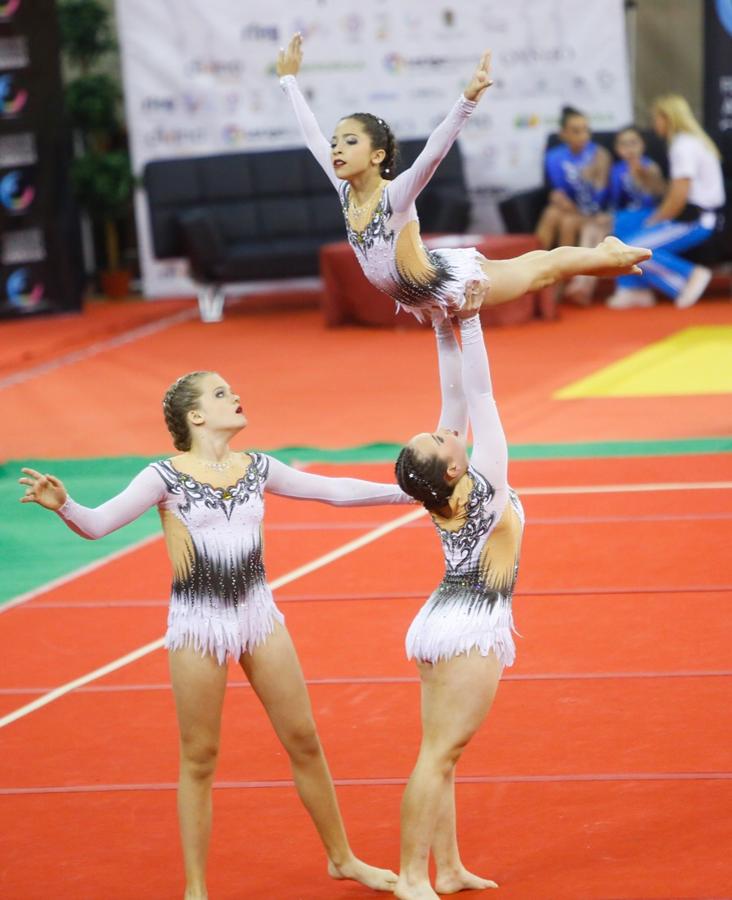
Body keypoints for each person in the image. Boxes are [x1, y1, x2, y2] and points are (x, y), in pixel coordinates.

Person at [18, 371, 414, 900]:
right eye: (222, 393)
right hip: (197, 625)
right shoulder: (163, 476)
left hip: (257, 616)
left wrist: (412, 494)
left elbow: (335, 491)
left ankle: (342, 859)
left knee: (304, 739)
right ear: (196, 416)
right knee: (200, 757)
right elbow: (98, 524)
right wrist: (65, 505)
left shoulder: (259, 467)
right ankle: (197, 890)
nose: (237, 396)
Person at [276, 34, 651, 322]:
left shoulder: (396, 196)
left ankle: (605, 253)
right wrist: (289, 81)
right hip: (428, 279)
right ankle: (603, 258)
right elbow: (312, 136)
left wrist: (466, 102)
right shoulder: (343, 189)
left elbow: (433, 153)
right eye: (336, 142)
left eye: (350, 141)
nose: (336, 149)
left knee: (541, 269)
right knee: (538, 269)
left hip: (449, 285)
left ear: (377, 156)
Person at [391, 282, 522, 899]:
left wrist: (439, 324)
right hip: (471, 622)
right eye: (441, 438)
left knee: (440, 755)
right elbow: (481, 395)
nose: (448, 430)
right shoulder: (486, 486)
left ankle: (449, 868)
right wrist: (467, 321)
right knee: (438, 756)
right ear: (450, 467)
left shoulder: (444, 489)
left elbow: (454, 397)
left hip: (443, 612)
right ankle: (412, 876)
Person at [606, 94, 726, 310]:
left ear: (666, 118)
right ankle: (634, 289)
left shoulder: (683, 146)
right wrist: (647, 180)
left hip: (695, 219)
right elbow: (670, 190)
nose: (653, 124)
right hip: (693, 214)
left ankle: (687, 277)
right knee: (623, 222)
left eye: (656, 118)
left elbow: (679, 196)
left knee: (634, 248)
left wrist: (656, 220)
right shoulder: (690, 142)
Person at [565, 125, 666, 305]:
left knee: (600, 228)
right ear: (618, 149)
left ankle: (583, 282)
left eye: (633, 143)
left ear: (642, 145)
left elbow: (659, 194)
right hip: (622, 216)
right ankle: (583, 282)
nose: (629, 149)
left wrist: (644, 177)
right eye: (624, 144)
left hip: (647, 216)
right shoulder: (617, 170)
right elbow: (612, 200)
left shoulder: (650, 166)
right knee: (591, 229)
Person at [535, 105, 612, 252]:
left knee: (568, 222)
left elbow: (602, 197)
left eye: (586, 130)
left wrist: (596, 177)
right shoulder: (554, 157)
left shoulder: (600, 154)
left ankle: (566, 270)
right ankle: (536, 264)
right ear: (563, 134)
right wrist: (556, 196)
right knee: (551, 213)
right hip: (570, 208)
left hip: (595, 212)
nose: (584, 136)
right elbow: (555, 190)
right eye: (576, 131)